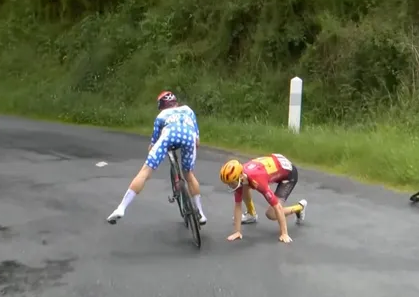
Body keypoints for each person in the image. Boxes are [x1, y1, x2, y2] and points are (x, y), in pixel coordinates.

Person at [106, 91, 207, 226]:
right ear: (175, 102)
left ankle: (121, 208)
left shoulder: (161, 116)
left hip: (169, 136)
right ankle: (200, 213)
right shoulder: (188, 110)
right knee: (189, 174)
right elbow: (197, 141)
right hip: (188, 138)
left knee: (145, 171)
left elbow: (153, 144)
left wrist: (154, 152)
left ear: (162, 106)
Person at [219, 153, 307, 244]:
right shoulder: (242, 175)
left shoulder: (258, 180)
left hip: (289, 175)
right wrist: (237, 232)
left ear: (240, 176)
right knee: (243, 188)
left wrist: (284, 233)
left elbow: (277, 207)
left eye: (231, 183)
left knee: (271, 214)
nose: (230, 186)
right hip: (276, 164)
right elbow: (238, 205)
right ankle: (251, 215)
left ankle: (300, 207)